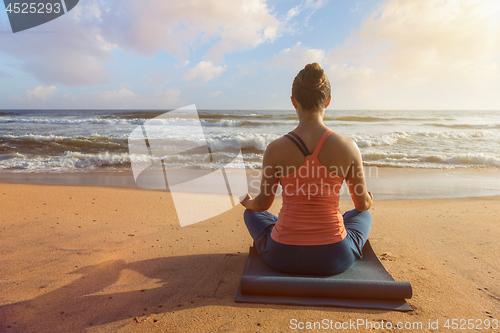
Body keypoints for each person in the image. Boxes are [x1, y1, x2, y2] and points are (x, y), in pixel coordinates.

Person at [240, 63, 373, 276]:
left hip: (282, 256)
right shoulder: (349, 146)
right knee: (362, 215)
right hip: (334, 258)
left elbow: (263, 203)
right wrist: (368, 198)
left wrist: (247, 202)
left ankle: (284, 227)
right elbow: (362, 203)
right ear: (328, 101)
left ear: (294, 102)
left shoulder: (275, 149)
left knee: (251, 214)